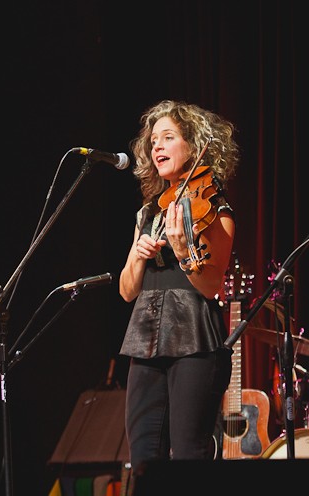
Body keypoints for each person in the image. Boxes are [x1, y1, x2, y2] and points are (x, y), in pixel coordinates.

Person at [118, 100, 240, 471]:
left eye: (168, 138)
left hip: (194, 340)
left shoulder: (215, 209)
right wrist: (137, 257)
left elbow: (210, 285)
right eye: (153, 140)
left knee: (189, 454)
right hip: (145, 338)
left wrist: (186, 251)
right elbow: (127, 291)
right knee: (143, 457)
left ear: (194, 145)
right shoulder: (148, 213)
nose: (157, 147)